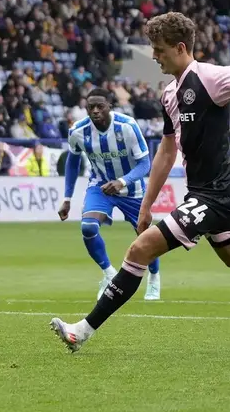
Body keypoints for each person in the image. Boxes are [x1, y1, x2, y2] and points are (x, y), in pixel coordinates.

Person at [49, 12, 230, 352]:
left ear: (180, 47)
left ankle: (81, 331)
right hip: (203, 193)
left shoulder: (210, 77)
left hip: (216, 195)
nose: (155, 56)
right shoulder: (169, 94)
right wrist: (146, 206)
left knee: (140, 249)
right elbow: (166, 150)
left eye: (159, 49)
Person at [57, 88, 161, 301]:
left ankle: (154, 277)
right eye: (90, 107)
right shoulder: (78, 131)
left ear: (109, 107)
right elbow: (73, 162)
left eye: (100, 106)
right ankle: (109, 274)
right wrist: (67, 198)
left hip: (132, 188)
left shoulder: (127, 126)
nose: (95, 111)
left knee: (146, 236)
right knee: (88, 227)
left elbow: (144, 163)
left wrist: (122, 181)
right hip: (100, 186)